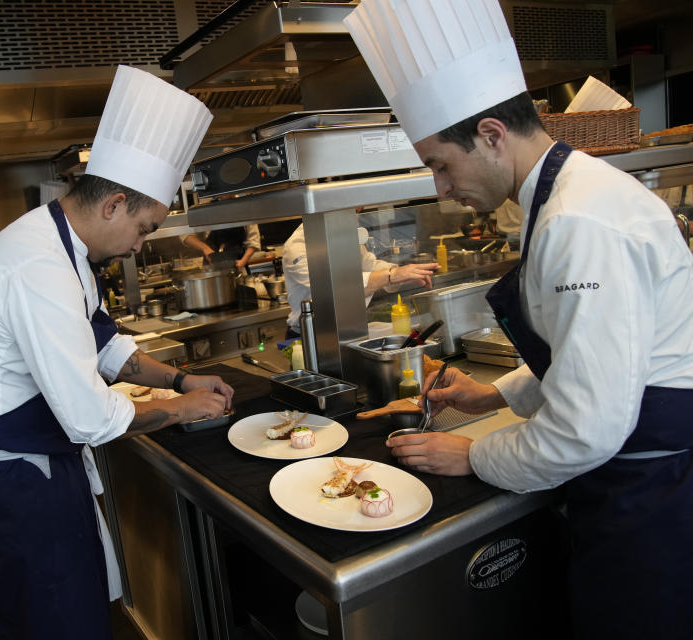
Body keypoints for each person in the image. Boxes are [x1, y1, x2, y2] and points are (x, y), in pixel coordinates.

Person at [345, 1, 693, 637]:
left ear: (492, 134)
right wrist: (490, 395)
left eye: (440, 165)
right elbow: (592, 357)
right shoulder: (570, 195)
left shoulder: (575, 220)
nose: (440, 189)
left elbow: (588, 426)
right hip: (639, 476)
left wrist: (474, 454)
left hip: (653, 490)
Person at [0, 65, 232, 639]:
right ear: (113, 205)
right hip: (14, 484)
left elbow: (104, 344)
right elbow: (89, 417)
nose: (139, 245)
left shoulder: (65, 249)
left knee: (73, 611)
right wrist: (181, 411)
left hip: (37, 468)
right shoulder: (38, 264)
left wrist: (178, 380)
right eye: (145, 229)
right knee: (53, 624)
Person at [282, 217, 437, 338]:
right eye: (350, 212)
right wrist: (392, 276)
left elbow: (369, 265)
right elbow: (337, 287)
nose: (356, 219)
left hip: (350, 331)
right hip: (308, 336)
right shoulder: (296, 248)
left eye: (357, 211)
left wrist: (403, 274)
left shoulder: (344, 234)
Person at [183, 224, 262, 271]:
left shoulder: (243, 207)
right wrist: (205, 248)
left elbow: (254, 241)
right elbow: (184, 234)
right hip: (211, 269)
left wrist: (243, 261)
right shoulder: (206, 209)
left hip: (237, 267)